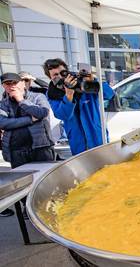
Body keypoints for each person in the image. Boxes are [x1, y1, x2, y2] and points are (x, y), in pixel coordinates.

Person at [0, 73, 55, 217]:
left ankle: (48, 206)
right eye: (7, 83)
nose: (12, 86)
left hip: (40, 146)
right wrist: (30, 119)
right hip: (16, 150)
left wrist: (21, 100)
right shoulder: (3, 103)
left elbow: (42, 112)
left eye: (15, 82)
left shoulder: (38, 97)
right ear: (3, 86)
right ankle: (28, 208)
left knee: (45, 180)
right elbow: (3, 123)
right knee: (21, 184)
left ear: (23, 83)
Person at [43, 58, 114, 155]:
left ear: (67, 71)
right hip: (78, 140)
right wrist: (68, 95)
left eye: (62, 73)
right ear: (50, 78)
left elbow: (109, 94)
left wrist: (93, 81)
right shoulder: (52, 93)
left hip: (97, 135)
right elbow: (63, 115)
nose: (60, 76)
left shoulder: (83, 82)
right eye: (55, 75)